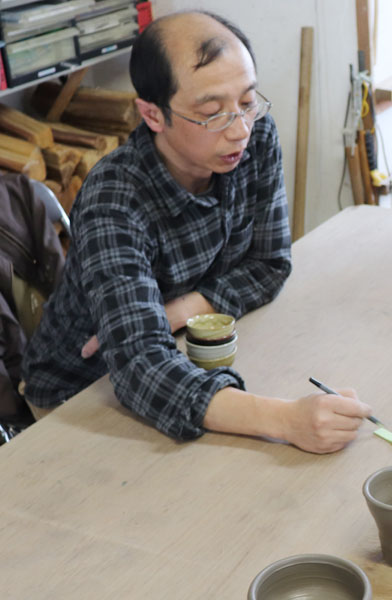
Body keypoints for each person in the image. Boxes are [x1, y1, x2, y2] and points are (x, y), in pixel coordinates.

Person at [22, 11, 371, 454]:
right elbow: (141, 369)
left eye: (246, 102)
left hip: (184, 351)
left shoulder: (255, 138)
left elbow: (269, 265)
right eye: (211, 114)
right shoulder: (115, 197)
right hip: (83, 392)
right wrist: (286, 419)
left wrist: (177, 312)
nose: (240, 130)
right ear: (152, 115)